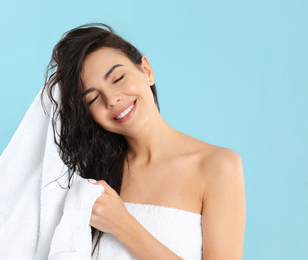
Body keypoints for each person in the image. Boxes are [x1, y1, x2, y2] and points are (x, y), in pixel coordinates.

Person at [42, 23, 246, 260]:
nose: (112, 99)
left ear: (147, 70)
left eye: (118, 78)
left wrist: (124, 225)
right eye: (93, 98)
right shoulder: (92, 178)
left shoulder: (217, 165)